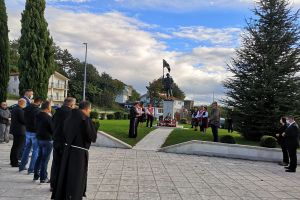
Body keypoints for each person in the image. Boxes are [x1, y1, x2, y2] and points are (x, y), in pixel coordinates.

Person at [54, 101, 97, 200]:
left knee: (67, 173)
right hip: (79, 152)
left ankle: (66, 194)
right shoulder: (85, 119)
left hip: (68, 149)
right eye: (90, 109)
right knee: (76, 176)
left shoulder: (69, 117)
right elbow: (92, 137)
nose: (90, 111)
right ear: (86, 108)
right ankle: (74, 195)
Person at [50, 97, 76, 196]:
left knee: (55, 163)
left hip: (56, 140)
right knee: (63, 164)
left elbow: (53, 124)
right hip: (64, 142)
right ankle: (60, 186)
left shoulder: (57, 112)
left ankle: (53, 185)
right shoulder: (70, 113)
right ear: (71, 104)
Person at [19, 97, 42, 174]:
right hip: (35, 132)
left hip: (27, 130)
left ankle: (22, 167)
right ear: (39, 103)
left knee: (26, 149)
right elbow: (37, 122)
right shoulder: (37, 110)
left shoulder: (26, 108)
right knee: (35, 150)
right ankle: (31, 169)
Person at [33, 101, 53, 183]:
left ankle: (36, 175)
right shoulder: (48, 117)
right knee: (45, 159)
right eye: (50, 106)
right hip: (47, 139)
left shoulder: (37, 115)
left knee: (39, 157)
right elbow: (52, 129)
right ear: (48, 107)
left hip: (39, 138)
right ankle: (43, 177)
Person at [9, 99, 26, 167]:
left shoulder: (14, 109)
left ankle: (12, 161)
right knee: (18, 147)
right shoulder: (20, 110)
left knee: (14, 146)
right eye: (24, 103)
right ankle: (15, 162)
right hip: (20, 131)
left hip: (16, 130)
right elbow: (23, 120)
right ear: (22, 103)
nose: (25, 105)